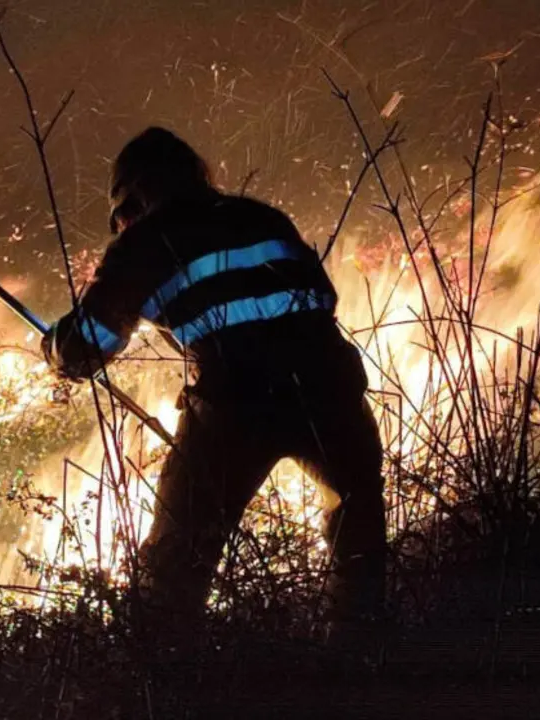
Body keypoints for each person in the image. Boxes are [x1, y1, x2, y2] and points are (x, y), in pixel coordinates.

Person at [41, 127, 386, 638]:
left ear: (139, 195)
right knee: (358, 535)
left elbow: (85, 346)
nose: (125, 225)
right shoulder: (259, 216)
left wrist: (53, 349)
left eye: (125, 213)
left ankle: (164, 665)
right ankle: (360, 653)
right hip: (331, 387)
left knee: (175, 562)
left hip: (238, 403)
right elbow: (318, 296)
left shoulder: (147, 240)